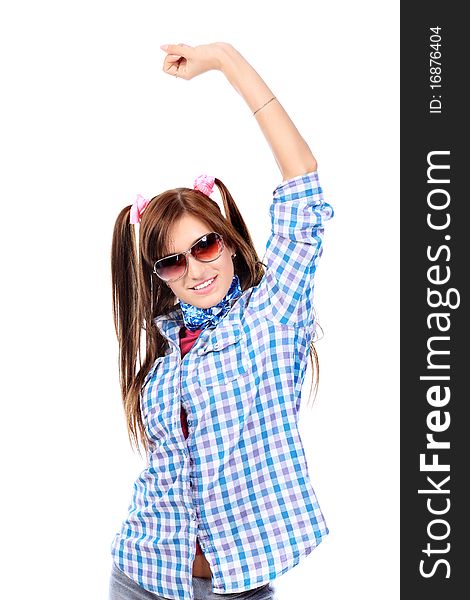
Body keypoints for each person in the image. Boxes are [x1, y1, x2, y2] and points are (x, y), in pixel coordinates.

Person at [108, 41, 334, 600]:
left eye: (205, 245)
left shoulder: (271, 315)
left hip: (237, 588)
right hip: (141, 573)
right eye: (172, 260)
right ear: (158, 274)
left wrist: (227, 60)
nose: (194, 269)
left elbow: (301, 176)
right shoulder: (167, 352)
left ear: (229, 242)